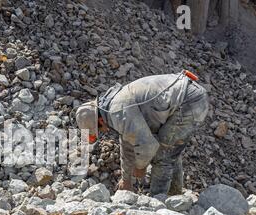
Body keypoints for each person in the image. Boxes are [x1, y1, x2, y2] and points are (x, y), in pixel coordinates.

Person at [76, 71, 209, 196]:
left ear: (99, 120)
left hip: (188, 102)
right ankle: (174, 196)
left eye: (99, 129)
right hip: (188, 96)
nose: (103, 132)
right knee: (170, 150)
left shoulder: (116, 112)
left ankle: (159, 205)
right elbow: (127, 143)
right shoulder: (114, 107)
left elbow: (147, 146)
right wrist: (126, 179)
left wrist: (141, 167)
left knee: (162, 156)